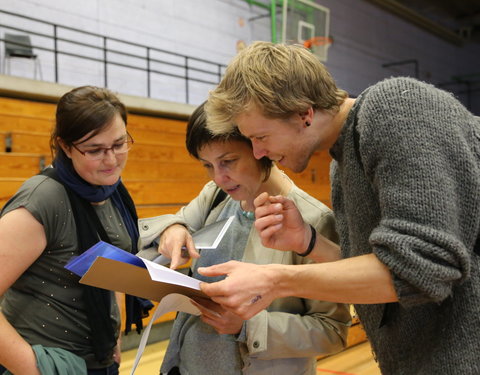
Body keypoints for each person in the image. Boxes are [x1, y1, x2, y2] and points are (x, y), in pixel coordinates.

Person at [199, 41, 480, 374]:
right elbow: (378, 271)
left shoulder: (397, 107)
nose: (258, 152)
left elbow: (420, 269)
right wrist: (308, 242)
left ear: (304, 113)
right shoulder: (342, 159)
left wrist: (275, 280)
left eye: (260, 137)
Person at [138, 102, 350, 375]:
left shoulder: (313, 221)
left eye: (228, 162)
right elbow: (163, 236)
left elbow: (332, 331)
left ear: (259, 148)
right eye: (207, 165)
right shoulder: (214, 195)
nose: (218, 177)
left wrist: (249, 327)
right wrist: (171, 229)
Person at [0, 86, 150, 375]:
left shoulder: (111, 189)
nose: (111, 159)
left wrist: (112, 333)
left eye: (119, 144)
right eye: (95, 150)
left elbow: (108, 266)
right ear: (65, 147)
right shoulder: (42, 200)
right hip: (48, 362)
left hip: (97, 359)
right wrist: (33, 368)